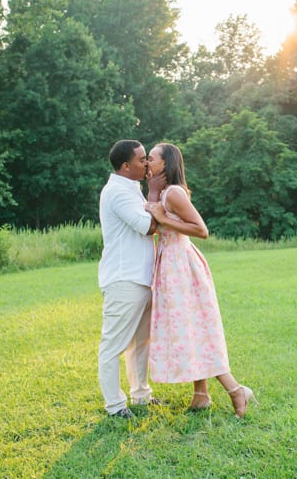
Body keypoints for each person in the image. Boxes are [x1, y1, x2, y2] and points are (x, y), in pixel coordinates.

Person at [144, 142, 257, 418]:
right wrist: (153, 195)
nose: (147, 162)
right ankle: (201, 395)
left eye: (152, 158)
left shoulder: (173, 193)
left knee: (192, 327)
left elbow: (201, 230)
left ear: (166, 164)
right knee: (191, 327)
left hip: (180, 265)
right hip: (171, 262)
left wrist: (162, 215)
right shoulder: (164, 193)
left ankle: (235, 389)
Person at [97, 139, 165, 419]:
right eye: (141, 159)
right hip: (124, 279)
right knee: (113, 345)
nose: (147, 163)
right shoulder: (117, 192)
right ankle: (114, 405)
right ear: (126, 166)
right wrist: (156, 192)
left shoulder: (131, 188)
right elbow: (148, 226)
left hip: (140, 278)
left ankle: (141, 396)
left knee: (141, 343)